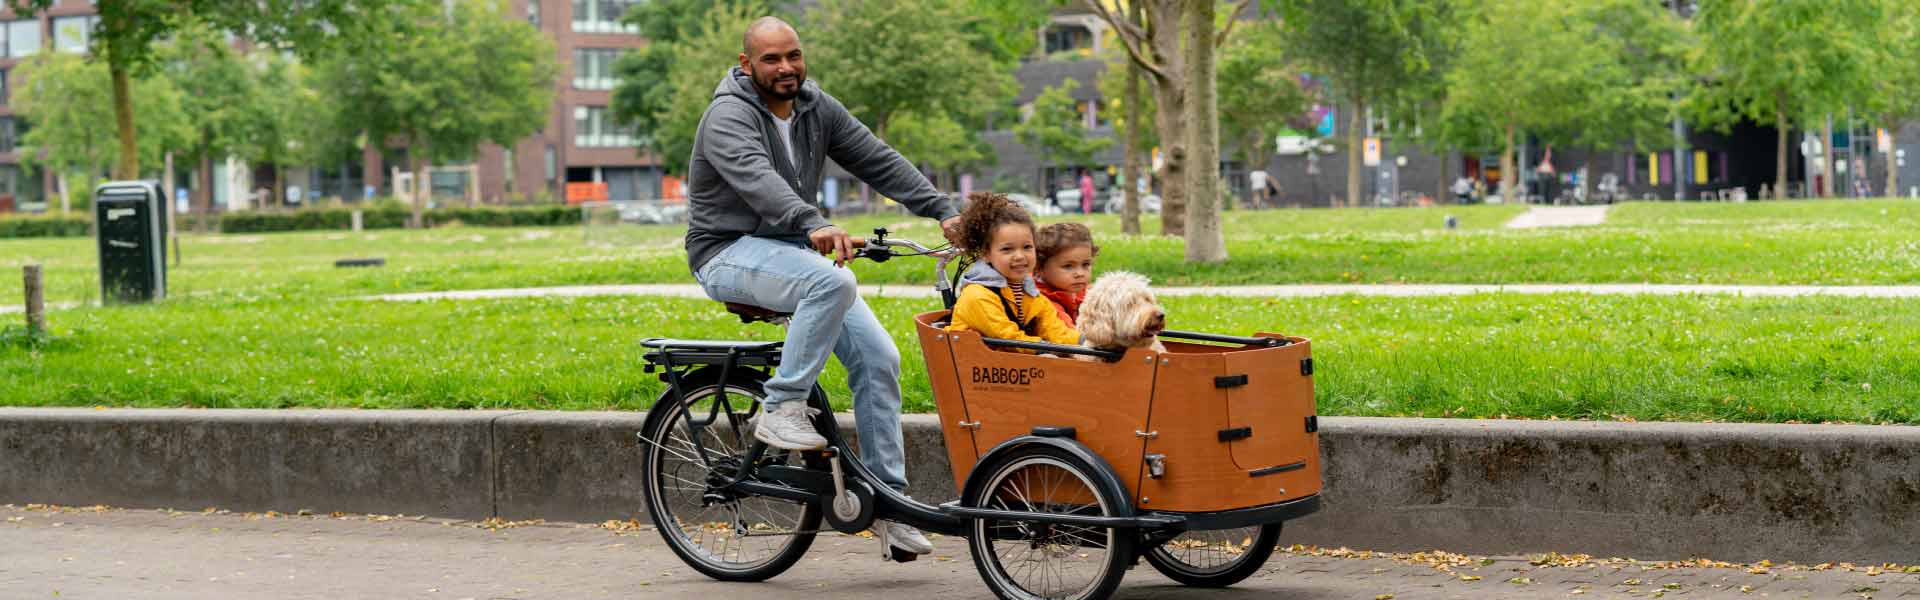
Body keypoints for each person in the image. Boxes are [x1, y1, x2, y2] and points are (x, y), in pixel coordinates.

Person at [683, 16, 958, 556]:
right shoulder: (727, 116)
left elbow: (876, 158)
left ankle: (890, 505)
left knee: (880, 361)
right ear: (746, 65)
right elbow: (756, 179)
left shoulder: (814, 105)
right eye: (771, 59)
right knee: (832, 284)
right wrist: (812, 222)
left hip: (788, 254)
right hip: (726, 252)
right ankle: (780, 408)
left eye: (794, 55)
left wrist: (943, 210)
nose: (786, 67)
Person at [946, 193, 1079, 347]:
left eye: (1027, 247)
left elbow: (1056, 331)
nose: (1020, 256)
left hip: (1009, 367)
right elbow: (1007, 337)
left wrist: (1085, 343)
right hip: (977, 366)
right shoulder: (977, 296)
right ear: (986, 253)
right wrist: (1046, 350)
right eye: (1007, 249)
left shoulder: (1031, 295)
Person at [1034, 222, 1098, 327]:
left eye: (1085, 264)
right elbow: (1070, 335)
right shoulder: (1044, 301)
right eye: (1068, 266)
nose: (1080, 273)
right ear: (1039, 268)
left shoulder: (1081, 291)